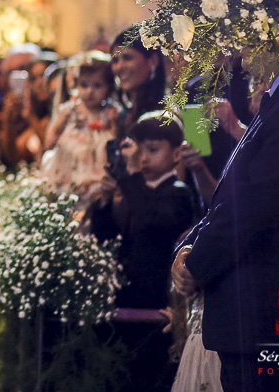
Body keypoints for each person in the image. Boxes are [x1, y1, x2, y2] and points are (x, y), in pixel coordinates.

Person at [171, 71, 279, 392]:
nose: (240, 52)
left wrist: (197, 263)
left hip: (264, 308)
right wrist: (190, 246)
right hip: (247, 308)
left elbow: (259, 198)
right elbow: (232, 193)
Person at [89, 112, 195, 392]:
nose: (144, 158)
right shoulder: (134, 189)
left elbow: (152, 221)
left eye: (153, 150)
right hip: (127, 298)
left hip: (158, 303)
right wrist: (105, 202)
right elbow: (106, 237)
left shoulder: (179, 192)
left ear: (176, 154)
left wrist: (128, 179)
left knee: (150, 377)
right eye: (140, 151)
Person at [40, 52, 119, 208]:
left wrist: (114, 124)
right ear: (76, 85)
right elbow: (49, 141)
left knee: (94, 203)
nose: (90, 91)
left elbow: (115, 143)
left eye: (97, 85)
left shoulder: (109, 113)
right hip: (71, 166)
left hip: (97, 168)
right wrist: (60, 125)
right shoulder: (70, 111)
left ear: (109, 87)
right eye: (84, 85)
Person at [111, 28, 167, 135]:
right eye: (115, 60)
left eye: (127, 58)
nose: (119, 67)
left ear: (153, 61)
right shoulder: (121, 116)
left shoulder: (166, 115)